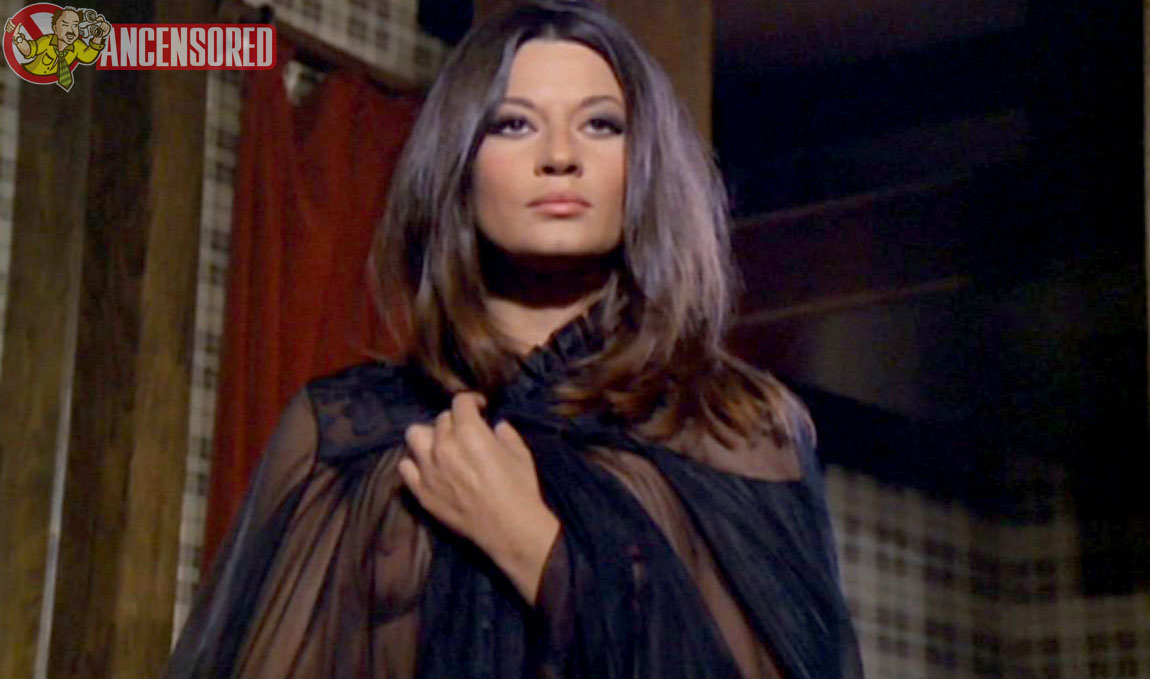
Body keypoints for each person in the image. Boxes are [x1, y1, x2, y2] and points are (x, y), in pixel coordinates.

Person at [167, 1, 864, 678]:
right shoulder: (351, 435)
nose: (560, 156)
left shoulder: (734, 428)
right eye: (513, 123)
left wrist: (530, 543)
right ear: (459, 167)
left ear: (646, 164)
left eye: (600, 124)